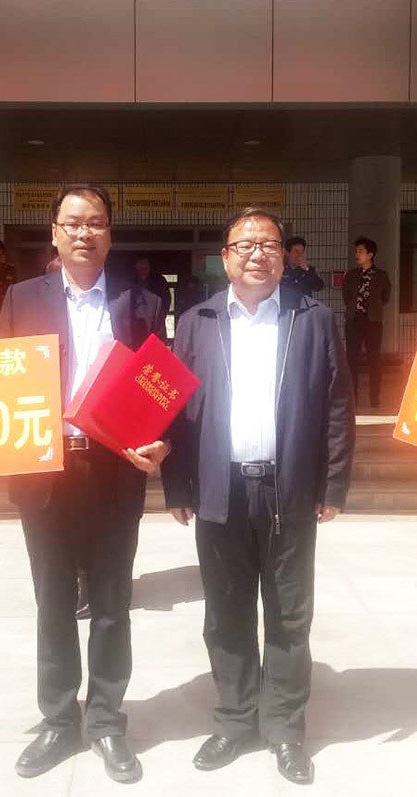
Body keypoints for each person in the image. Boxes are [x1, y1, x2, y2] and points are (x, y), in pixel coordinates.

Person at [0, 184, 169, 783]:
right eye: (73, 223)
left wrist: (163, 440)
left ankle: (107, 721)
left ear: (110, 233)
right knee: (54, 603)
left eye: (96, 222)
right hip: (45, 474)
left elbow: (156, 385)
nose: (85, 233)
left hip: (113, 473)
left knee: (111, 604)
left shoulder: (141, 301)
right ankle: (61, 721)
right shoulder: (21, 297)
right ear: (55, 233)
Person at [161, 207, 355, 786]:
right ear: (224, 259)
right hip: (219, 490)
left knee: (290, 615)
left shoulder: (312, 319)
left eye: (267, 244)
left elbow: (338, 405)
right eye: (243, 245)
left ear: (284, 256)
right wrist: (176, 484)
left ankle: (285, 729)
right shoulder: (196, 321)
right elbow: (174, 410)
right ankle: (235, 720)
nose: (256, 254)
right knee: (226, 614)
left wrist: (333, 484)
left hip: (288, 489)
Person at [342, 236, 391, 407]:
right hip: (354, 320)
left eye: (360, 251)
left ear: (370, 255)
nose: (357, 254)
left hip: (373, 321)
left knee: (374, 360)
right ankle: (352, 396)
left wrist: (374, 308)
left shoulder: (381, 275)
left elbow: (385, 297)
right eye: (356, 251)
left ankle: (374, 398)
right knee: (351, 359)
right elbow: (346, 296)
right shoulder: (351, 275)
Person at [134, 256, 172, 330]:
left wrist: (160, 316)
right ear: (136, 266)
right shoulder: (131, 282)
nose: (143, 267)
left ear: (149, 266)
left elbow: (166, 300)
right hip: (135, 323)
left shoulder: (159, 281)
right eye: (140, 264)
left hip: (155, 323)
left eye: (145, 264)